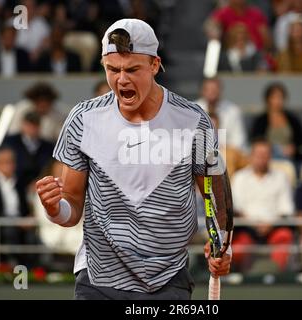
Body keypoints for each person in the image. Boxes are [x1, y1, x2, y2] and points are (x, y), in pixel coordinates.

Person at [36, 18, 232, 300]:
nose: (121, 79)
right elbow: (72, 209)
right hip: (97, 280)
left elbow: (215, 197)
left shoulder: (193, 121)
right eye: (112, 69)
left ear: (154, 65)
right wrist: (54, 208)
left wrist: (223, 244)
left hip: (168, 280)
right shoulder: (82, 120)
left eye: (132, 69)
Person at [231, 138, 294, 272]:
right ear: (251, 156)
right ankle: (244, 278)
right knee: (238, 245)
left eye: (265, 155)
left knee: (285, 236)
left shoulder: (281, 177)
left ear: (270, 157)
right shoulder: (239, 177)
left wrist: (269, 225)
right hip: (246, 228)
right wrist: (253, 224)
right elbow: (236, 209)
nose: (262, 159)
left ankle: (275, 275)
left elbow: (286, 209)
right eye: (258, 155)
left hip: (274, 227)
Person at [250, 82, 302, 162]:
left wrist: (293, 149)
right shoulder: (260, 121)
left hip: (290, 160)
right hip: (267, 159)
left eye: (281, 97)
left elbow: (301, 142)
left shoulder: (293, 120)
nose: (278, 101)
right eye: (274, 97)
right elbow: (255, 141)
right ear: (268, 99)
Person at [195, 77, 248, 151]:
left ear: (221, 91)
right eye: (208, 90)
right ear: (202, 91)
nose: (211, 93)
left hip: (227, 155)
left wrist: (222, 151)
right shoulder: (193, 110)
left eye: (214, 90)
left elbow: (239, 140)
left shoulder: (233, 111)